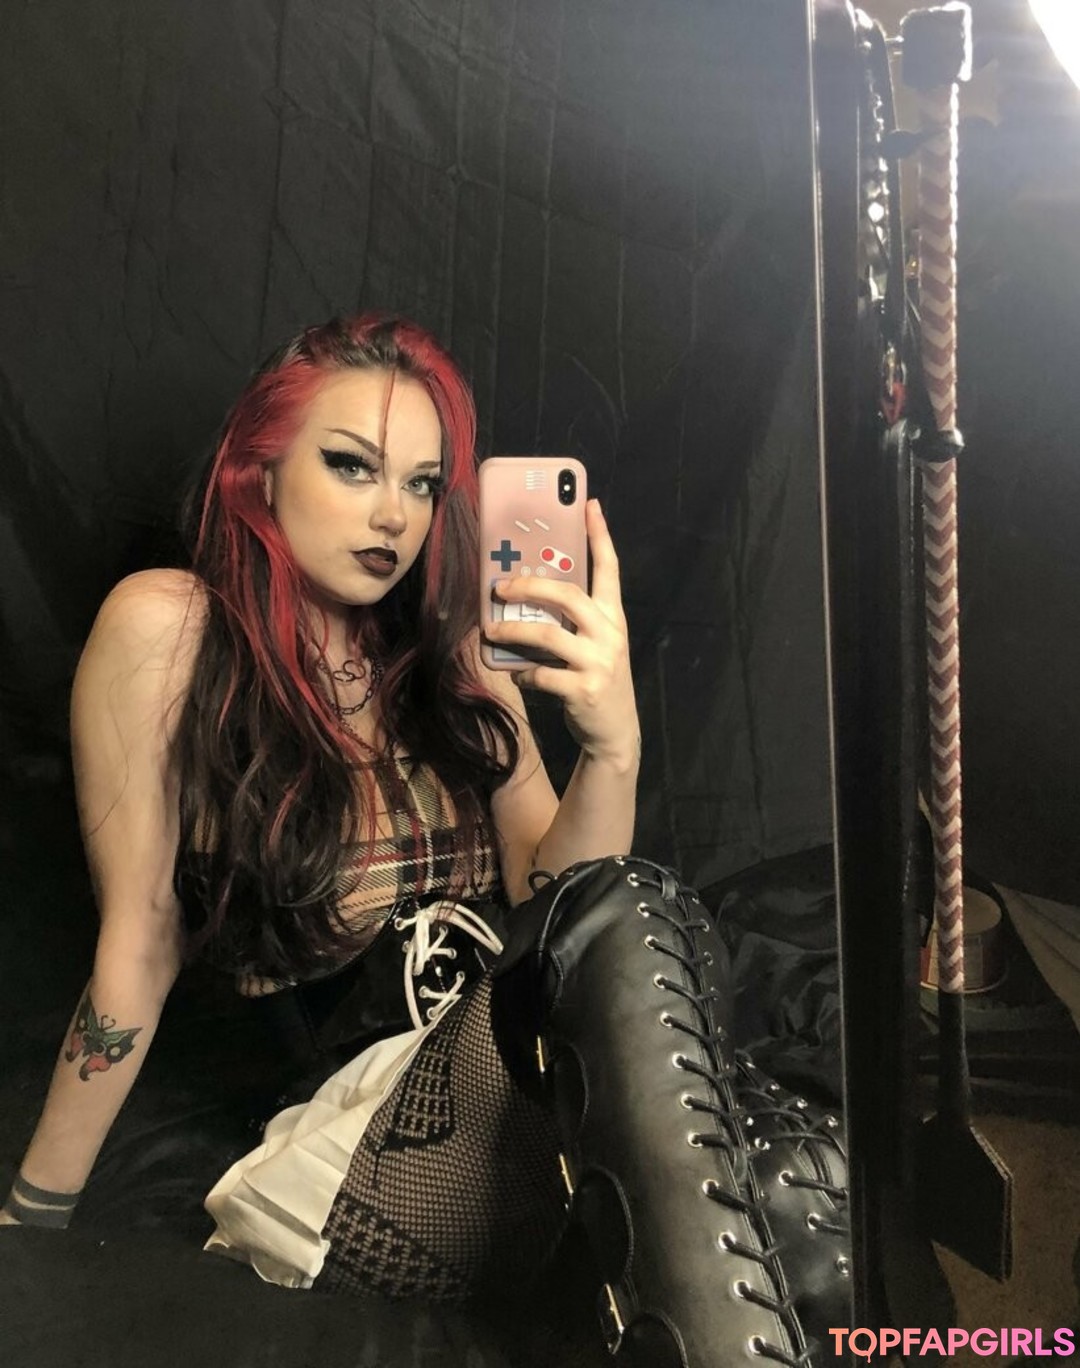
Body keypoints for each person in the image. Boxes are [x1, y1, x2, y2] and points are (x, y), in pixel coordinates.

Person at [2, 313, 847, 1366]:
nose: (393, 515)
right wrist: (31, 1216)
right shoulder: (173, 630)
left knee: (784, 1172)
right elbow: (140, 939)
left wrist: (613, 749)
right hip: (342, 1133)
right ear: (260, 468)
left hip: (513, 1078)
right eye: (351, 466)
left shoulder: (452, 649)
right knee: (649, 956)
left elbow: (559, 895)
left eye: (423, 484)